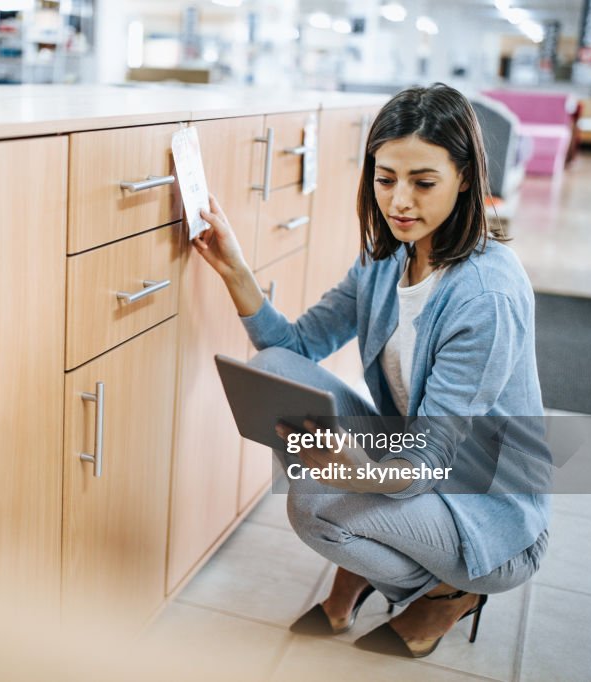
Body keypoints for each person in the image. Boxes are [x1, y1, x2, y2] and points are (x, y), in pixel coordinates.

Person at [192, 83, 550, 659]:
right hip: (409, 457)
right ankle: (370, 557)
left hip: (486, 512)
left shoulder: (486, 295)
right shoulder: (387, 258)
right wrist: (235, 269)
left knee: (313, 504)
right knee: (279, 369)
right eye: (386, 179)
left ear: (465, 178)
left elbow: (426, 462)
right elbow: (295, 346)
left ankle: (453, 589)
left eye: (423, 182)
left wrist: (354, 473)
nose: (399, 202)